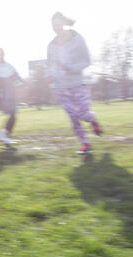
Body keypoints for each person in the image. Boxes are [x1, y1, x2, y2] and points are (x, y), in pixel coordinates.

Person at [47, 12, 103, 154]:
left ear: (64, 24)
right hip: (60, 87)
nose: (57, 28)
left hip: (78, 83)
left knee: (84, 114)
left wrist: (71, 68)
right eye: (54, 25)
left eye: (59, 24)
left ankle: (93, 119)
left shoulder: (77, 39)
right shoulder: (51, 45)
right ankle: (85, 144)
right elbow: (49, 64)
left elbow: (87, 60)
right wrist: (49, 75)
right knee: (73, 117)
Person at [0, 48, 24, 145]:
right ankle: (4, 134)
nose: (1, 56)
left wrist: (24, 83)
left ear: (4, 55)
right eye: (0, 54)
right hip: (0, 97)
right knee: (13, 114)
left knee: (13, 115)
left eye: (2, 54)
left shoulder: (9, 67)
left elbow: (17, 77)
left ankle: (3, 133)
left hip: (9, 96)